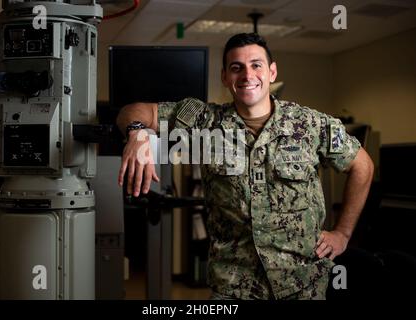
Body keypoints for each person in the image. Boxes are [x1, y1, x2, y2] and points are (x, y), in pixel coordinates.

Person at [116, 33, 374, 300]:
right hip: (234, 287)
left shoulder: (309, 124)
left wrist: (342, 233)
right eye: (236, 68)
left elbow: (362, 166)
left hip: (303, 284)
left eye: (256, 65)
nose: (247, 75)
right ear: (225, 77)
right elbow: (132, 111)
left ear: (272, 72)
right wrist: (138, 133)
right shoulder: (205, 122)